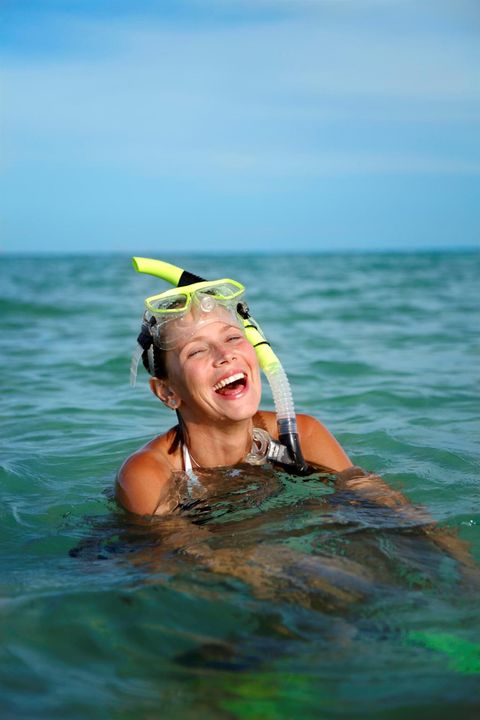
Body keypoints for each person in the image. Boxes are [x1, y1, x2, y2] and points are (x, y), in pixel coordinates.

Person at [116, 266, 352, 516]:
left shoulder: (301, 435)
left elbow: (376, 506)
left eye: (232, 338)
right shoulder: (149, 474)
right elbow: (182, 550)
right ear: (167, 392)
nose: (225, 355)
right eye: (197, 351)